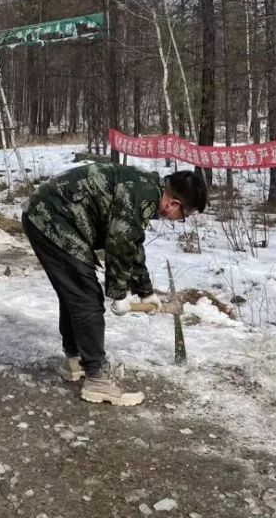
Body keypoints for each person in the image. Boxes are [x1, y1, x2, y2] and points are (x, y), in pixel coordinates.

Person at [22, 163, 207, 406]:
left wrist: (145, 291)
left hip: (51, 216)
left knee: (76, 293)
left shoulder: (146, 189)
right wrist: (119, 294)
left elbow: (131, 243)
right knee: (87, 298)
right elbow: (119, 242)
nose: (178, 221)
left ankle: (76, 358)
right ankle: (97, 379)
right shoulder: (141, 193)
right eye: (183, 216)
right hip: (52, 220)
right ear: (174, 204)